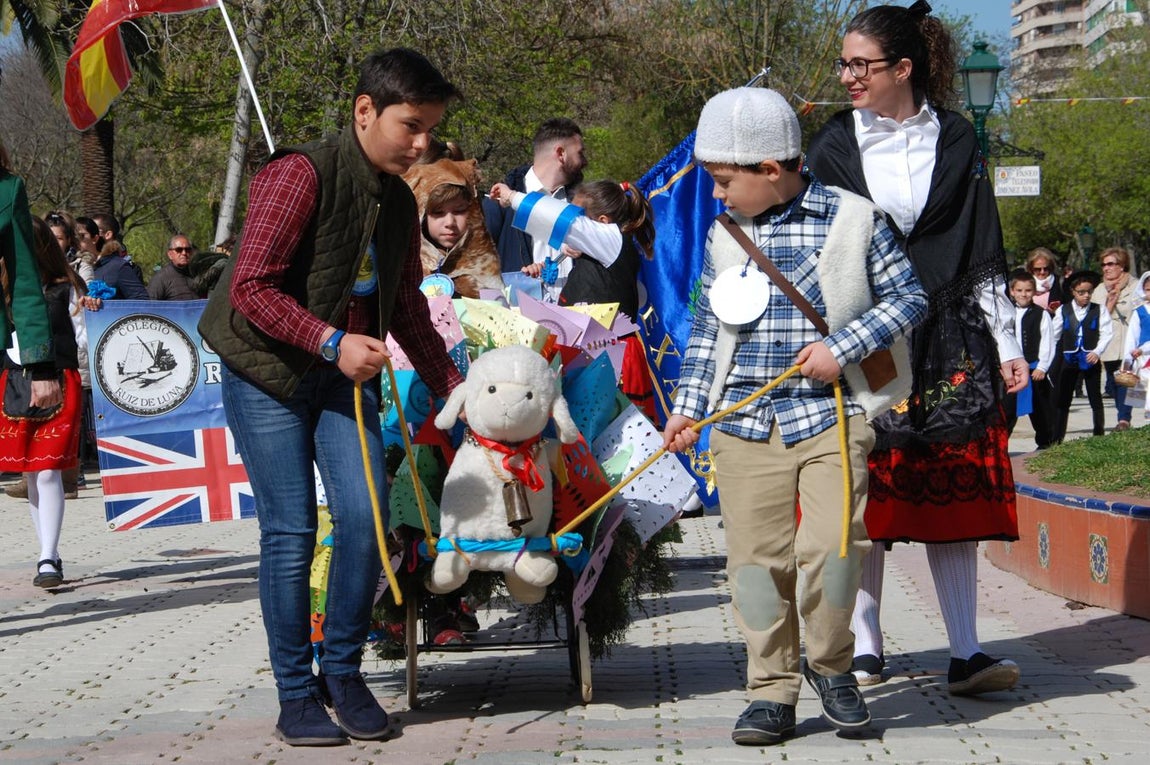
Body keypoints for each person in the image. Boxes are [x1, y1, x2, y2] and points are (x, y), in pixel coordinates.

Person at [198, 48, 464, 747]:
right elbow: (250, 287)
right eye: (411, 126)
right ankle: (296, 694)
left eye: (431, 130)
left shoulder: (399, 202)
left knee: (366, 517)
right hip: (267, 371)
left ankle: (342, 673)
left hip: (344, 379)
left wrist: (456, 391)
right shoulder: (298, 174)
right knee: (291, 531)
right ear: (364, 110)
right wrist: (328, 341)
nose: (422, 144)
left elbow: (405, 306)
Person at [663, 87, 927, 745]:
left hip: (833, 416)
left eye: (725, 180)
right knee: (756, 564)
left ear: (770, 168)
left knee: (835, 550)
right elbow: (708, 329)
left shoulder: (856, 219)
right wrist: (688, 410)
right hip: (743, 424)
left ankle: (832, 667)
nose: (717, 194)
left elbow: (909, 298)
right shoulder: (724, 233)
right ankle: (770, 690)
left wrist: (843, 347)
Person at [806, 0, 1029, 696]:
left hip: (951, 335)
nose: (847, 76)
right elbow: (815, 247)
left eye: (860, 64)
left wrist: (1008, 340)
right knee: (868, 488)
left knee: (951, 482)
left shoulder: (957, 136)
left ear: (902, 68)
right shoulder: (832, 145)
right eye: (844, 64)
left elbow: (982, 241)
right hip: (867, 336)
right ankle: (867, 648)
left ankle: (966, 652)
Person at [489, 178, 658, 416]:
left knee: (619, 434)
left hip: (612, 357)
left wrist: (512, 197)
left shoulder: (612, 240)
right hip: (596, 354)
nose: (573, 224)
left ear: (602, 223)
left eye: (579, 217)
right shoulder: (609, 249)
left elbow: (561, 220)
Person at [0, 215, 89, 588]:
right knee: (33, 472)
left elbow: (84, 339)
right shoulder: (3, 289)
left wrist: (96, 312)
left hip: (60, 379)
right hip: (14, 383)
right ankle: (46, 550)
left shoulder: (66, 288)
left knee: (49, 469)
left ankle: (48, 556)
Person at [483, 118, 587, 299]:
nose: (585, 161)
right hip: (517, 314)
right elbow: (481, 269)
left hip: (576, 311)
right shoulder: (498, 205)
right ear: (561, 153)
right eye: (580, 153)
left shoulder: (582, 205)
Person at [402, 143, 504, 297]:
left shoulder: (483, 263)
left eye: (459, 211)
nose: (449, 222)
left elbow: (497, 307)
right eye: (438, 212)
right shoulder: (407, 266)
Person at [1051, 271, 1112, 442]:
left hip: (1090, 357)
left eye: (1089, 292)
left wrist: (1097, 351)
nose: (1086, 295)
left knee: (1094, 396)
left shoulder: (1099, 310)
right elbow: (1054, 335)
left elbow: (1107, 333)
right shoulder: (1063, 310)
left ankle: (1098, 434)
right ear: (1073, 292)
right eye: (1081, 292)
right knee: (1064, 397)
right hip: (1069, 358)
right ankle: (1058, 437)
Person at [1005, 270, 1055, 449]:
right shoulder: (1006, 313)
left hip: (1034, 369)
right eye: (1019, 290)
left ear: (1034, 291)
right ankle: (1001, 447)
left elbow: (1048, 342)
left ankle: (1046, 443)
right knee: (1008, 411)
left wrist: (1042, 367)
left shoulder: (1041, 314)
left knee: (1041, 410)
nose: (1023, 294)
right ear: (1012, 291)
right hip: (1011, 371)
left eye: (1027, 290)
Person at [1093, 247, 1138, 431]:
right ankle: (1123, 416)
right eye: (1104, 265)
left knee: (1125, 381)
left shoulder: (1136, 286)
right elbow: (1095, 317)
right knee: (1113, 385)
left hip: (1129, 341)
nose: (1106, 268)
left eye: (1111, 264)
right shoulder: (1099, 290)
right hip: (1109, 344)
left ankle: (1124, 419)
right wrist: (1110, 301)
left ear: (1122, 265)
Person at [90, 213, 149, 299]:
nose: (89, 235)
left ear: (108, 234)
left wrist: (105, 304)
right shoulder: (80, 263)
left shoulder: (121, 266)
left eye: (93, 231)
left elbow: (140, 300)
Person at [1121, 271, 1150, 405]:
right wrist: (1127, 361)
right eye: (1148, 290)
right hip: (1144, 358)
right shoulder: (1140, 311)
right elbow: (1132, 337)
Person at [147, 233, 200, 300]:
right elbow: (150, 305)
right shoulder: (160, 279)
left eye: (187, 249)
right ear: (170, 254)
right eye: (179, 250)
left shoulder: (197, 275)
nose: (184, 253)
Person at [1027, 247, 1064, 314]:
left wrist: (1057, 311)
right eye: (1038, 269)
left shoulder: (1060, 282)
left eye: (1046, 268)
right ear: (1031, 268)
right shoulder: (1025, 282)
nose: (1042, 272)